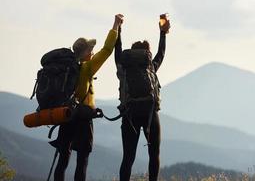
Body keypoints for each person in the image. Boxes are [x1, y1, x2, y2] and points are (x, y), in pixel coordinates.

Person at [49, 14, 124, 181]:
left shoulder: (67, 69)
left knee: (62, 159)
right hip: (83, 118)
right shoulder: (87, 68)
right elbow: (107, 49)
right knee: (82, 160)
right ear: (85, 54)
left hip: (66, 115)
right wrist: (116, 25)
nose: (93, 52)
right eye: (90, 50)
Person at [115, 15, 170, 181]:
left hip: (129, 114)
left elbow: (117, 49)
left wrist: (118, 27)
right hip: (150, 114)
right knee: (154, 154)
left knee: (128, 158)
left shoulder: (123, 67)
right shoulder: (150, 67)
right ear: (146, 53)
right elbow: (161, 53)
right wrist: (163, 33)